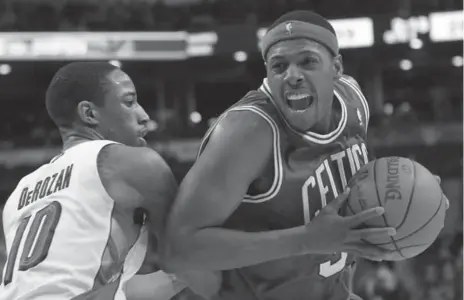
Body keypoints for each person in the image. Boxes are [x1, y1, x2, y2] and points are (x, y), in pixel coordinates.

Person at [161, 10, 399, 300]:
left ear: (336, 67)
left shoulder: (353, 100)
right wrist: (305, 240)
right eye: (279, 66)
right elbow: (178, 251)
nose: (293, 76)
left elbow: (354, 175)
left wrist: (404, 185)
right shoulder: (248, 131)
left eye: (308, 61)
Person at [0, 62, 187, 300]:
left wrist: (180, 277)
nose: (144, 116)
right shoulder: (128, 163)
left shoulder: (20, 192)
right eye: (129, 102)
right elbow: (190, 250)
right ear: (89, 113)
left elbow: (116, 292)